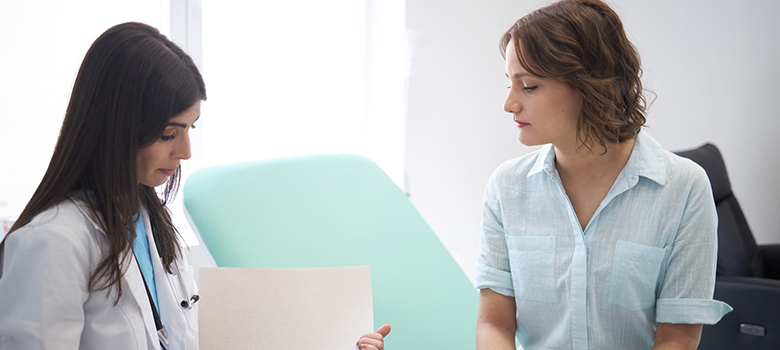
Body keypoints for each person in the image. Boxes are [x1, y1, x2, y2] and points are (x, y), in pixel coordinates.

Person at [0, 22, 389, 350]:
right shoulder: (52, 243)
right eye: (170, 133)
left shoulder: (149, 220)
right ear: (117, 128)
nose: (185, 151)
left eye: (190, 129)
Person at [474, 1, 732, 349]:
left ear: (590, 84)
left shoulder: (684, 188)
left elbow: (678, 339)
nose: (510, 104)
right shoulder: (506, 187)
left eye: (529, 86)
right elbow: (494, 322)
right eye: (510, 83)